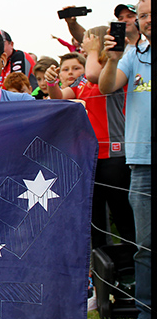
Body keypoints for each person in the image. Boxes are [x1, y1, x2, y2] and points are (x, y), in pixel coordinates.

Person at [44, 41, 135, 254]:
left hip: (115, 156)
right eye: (66, 69)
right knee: (95, 218)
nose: (72, 72)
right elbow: (58, 98)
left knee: (122, 214)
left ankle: (132, 266)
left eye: (77, 67)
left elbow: (97, 74)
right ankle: (104, 269)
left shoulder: (114, 76)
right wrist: (51, 82)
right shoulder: (81, 83)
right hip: (88, 158)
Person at [99, 0, 151, 319]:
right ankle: (146, 315)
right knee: (145, 246)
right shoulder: (133, 55)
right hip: (143, 164)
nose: (147, 20)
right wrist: (112, 59)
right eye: (143, 15)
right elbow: (106, 87)